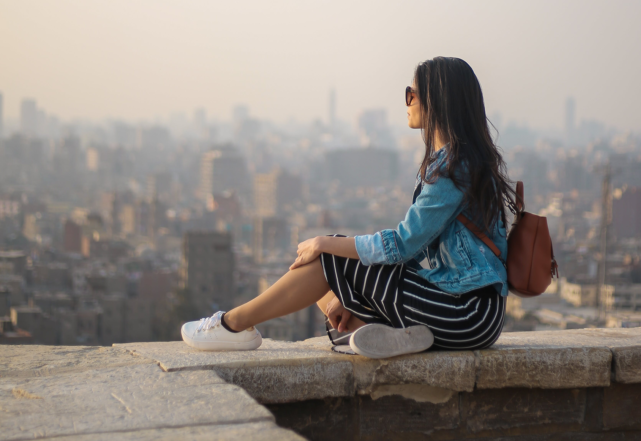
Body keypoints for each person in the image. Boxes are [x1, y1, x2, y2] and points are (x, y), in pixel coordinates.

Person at [181, 56, 516, 358]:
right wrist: (352, 293)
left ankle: (233, 324)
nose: (408, 101)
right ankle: (384, 332)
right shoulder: (457, 162)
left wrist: (327, 242)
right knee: (328, 280)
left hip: (468, 314)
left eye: (412, 94)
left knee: (325, 255)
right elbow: (415, 250)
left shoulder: (454, 168)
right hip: (466, 314)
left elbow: (401, 245)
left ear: (438, 100)